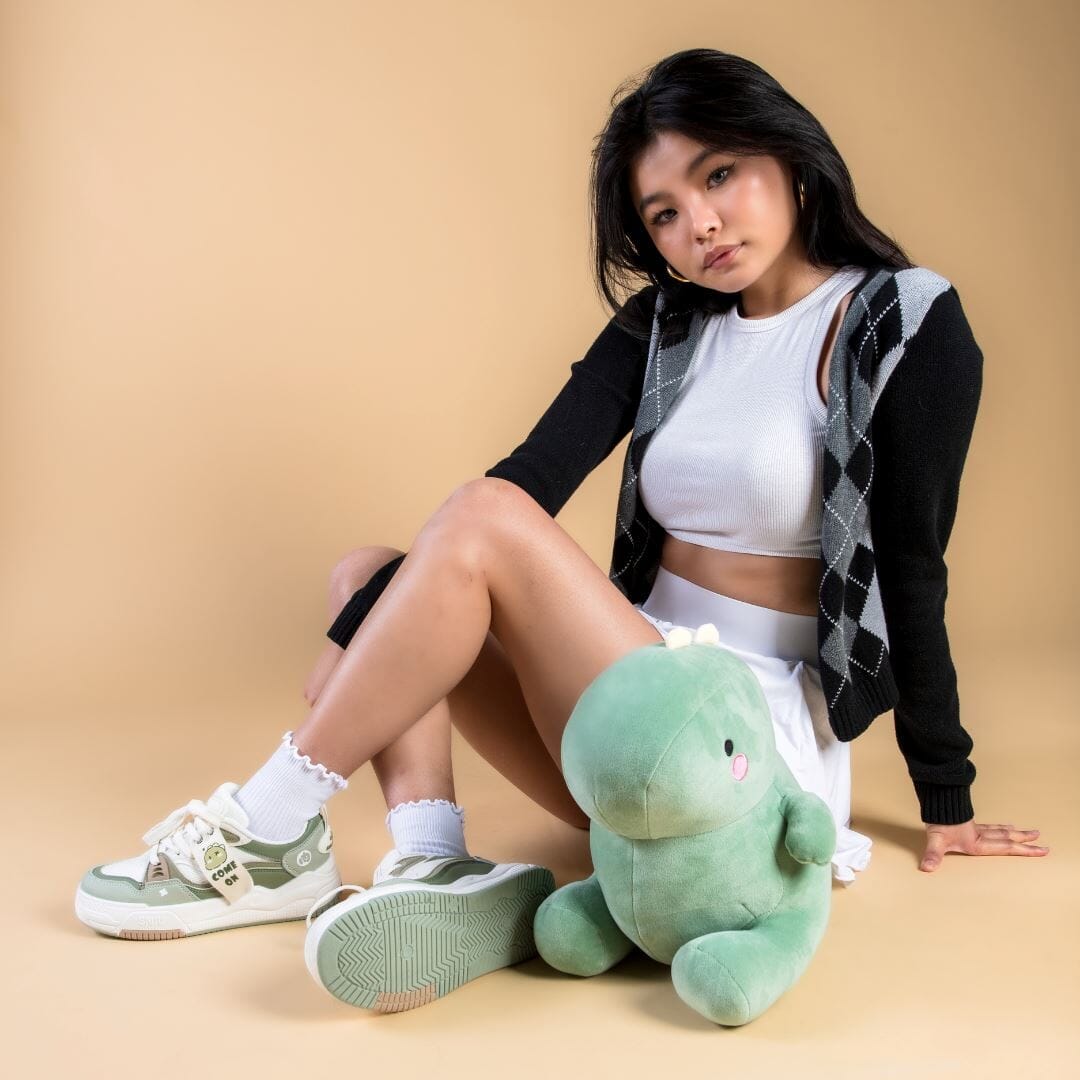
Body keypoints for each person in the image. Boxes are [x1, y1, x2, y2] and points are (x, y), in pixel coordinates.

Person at [74, 48, 1047, 1009]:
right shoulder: (667, 326)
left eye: (718, 175)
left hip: (746, 755)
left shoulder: (902, 320)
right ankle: (435, 862)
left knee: (469, 532)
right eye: (663, 214)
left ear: (789, 153)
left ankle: (268, 825)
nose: (699, 225)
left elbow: (913, 569)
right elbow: (527, 482)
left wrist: (946, 794)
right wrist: (356, 624)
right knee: (367, 572)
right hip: (626, 709)